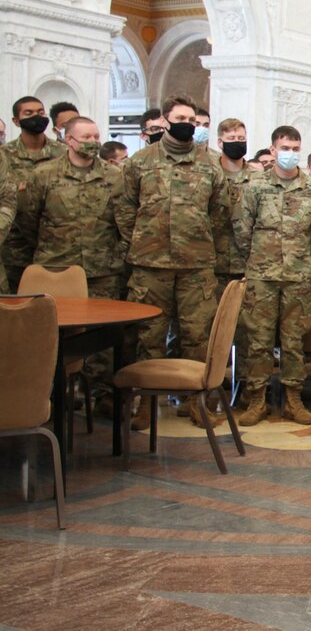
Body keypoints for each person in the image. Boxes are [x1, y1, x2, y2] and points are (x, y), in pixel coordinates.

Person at [115, 94, 230, 428]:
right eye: (180, 119)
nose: (187, 125)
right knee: (148, 335)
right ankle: (147, 405)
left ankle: (196, 404)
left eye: (192, 121)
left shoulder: (211, 163)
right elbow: (124, 208)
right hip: (150, 266)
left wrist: (200, 239)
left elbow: (221, 211)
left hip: (196, 266)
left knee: (197, 335)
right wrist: (140, 241)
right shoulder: (141, 161)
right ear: (164, 121)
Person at [17, 116, 124, 414]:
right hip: (55, 269)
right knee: (52, 335)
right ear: (69, 140)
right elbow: (27, 221)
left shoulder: (114, 177)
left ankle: (103, 395)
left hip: (102, 269)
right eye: (87, 137)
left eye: (96, 136)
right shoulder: (44, 175)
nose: (93, 142)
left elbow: (124, 221)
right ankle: (49, 395)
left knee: (103, 336)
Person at [234, 125, 311, 426]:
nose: (291, 153)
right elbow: (242, 230)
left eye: (295, 148)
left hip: (297, 276)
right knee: (258, 339)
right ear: (273, 151)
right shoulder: (255, 186)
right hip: (262, 275)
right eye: (285, 148)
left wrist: (300, 259)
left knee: (293, 340)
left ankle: (292, 399)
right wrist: (261, 258)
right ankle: (257, 399)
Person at [2, 96, 67, 290]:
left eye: (40, 112)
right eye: (28, 114)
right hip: (14, 247)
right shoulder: (4, 155)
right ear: (16, 121)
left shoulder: (63, 152)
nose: (36, 117)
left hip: (56, 245)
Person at [213, 118, 259, 295]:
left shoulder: (258, 178)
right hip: (213, 261)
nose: (237, 143)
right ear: (220, 142)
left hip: (247, 262)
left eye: (241, 138)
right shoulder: (210, 173)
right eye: (231, 139)